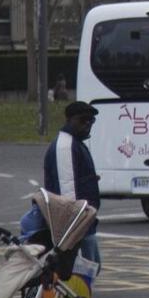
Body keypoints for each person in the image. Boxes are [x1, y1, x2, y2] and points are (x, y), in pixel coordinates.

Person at [22, 102, 101, 267]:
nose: (88, 124)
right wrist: (73, 232)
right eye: (83, 120)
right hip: (76, 225)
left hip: (84, 222)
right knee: (84, 268)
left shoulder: (75, 143)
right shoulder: (65, 147)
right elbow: (67, 191)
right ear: (69, 119)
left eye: (91, 121)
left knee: (90, 268)